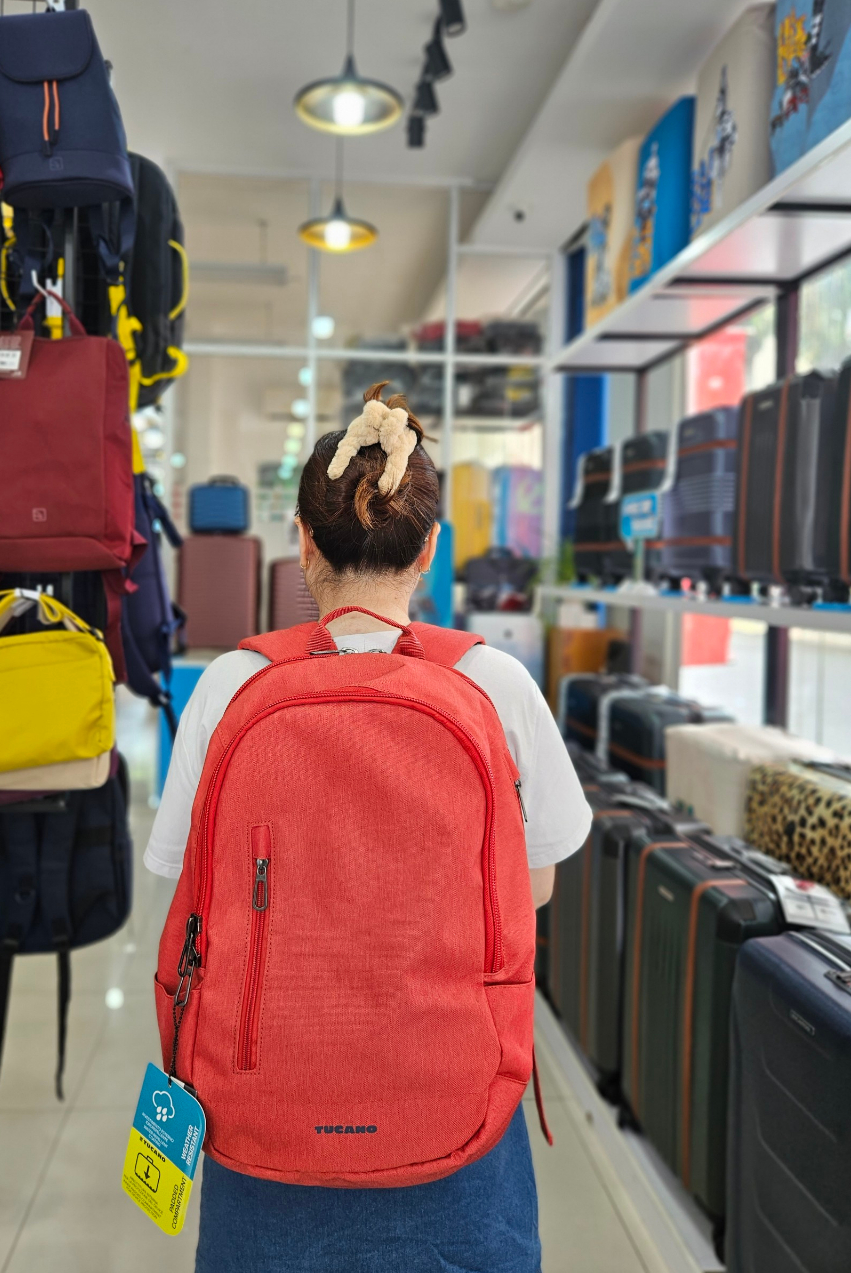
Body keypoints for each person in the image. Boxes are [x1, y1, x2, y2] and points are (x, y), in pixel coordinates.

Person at [145, 384, 591, 1272]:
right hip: (455, 1106)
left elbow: (189, 884)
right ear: (429, 547)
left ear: (304, 542)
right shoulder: (497, 684)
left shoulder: (230, 685)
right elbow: (532, 887)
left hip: (262, 1106)